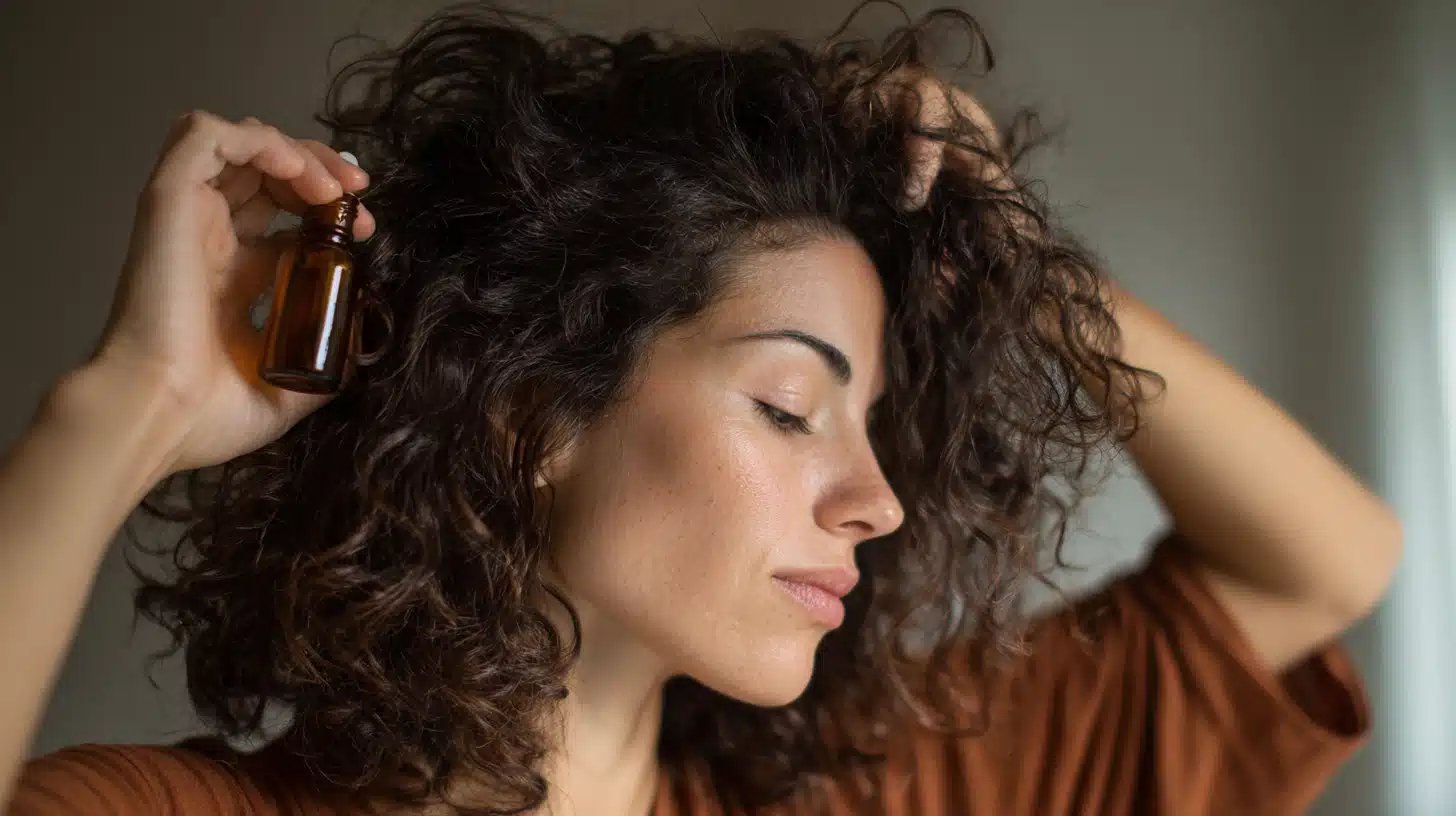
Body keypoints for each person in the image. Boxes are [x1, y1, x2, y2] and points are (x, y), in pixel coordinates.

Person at [0, 6, 1398, 815]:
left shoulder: (876, 796)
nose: (879, 498)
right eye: (793, 407)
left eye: (869, 423)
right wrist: (126, 407)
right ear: (532, 407)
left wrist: (1017, 264)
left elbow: (1325, 566)